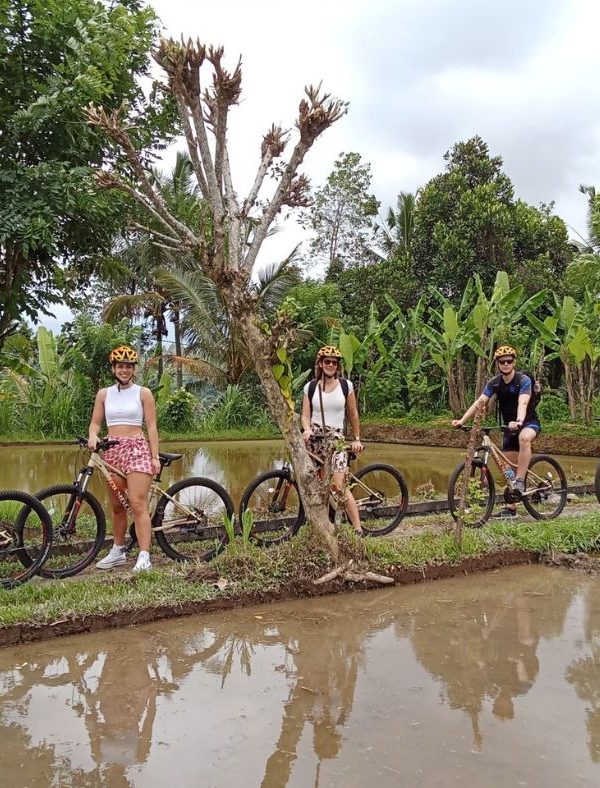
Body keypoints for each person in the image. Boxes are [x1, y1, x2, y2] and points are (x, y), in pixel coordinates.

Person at [88, 345, 161, 572]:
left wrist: (155, 457)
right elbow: (95, 423)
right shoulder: (104, 394)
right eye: (120, 366)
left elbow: (151, 426)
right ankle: (118, 550)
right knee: (118, 505)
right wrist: (93, 436)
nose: (124, 370)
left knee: (137, 504)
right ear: (114, 368)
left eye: (129, 366)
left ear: (133, 370)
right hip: (112, 450)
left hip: (137, 449)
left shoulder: (143, 393)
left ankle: (144, 555)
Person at [451, 345, 541, 519]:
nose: (506, 364)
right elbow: (480, 402)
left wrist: (520, 421)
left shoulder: (523, 381)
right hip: (509, 427)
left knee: (524, 439)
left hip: (528, 423)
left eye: (509, 361)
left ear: (514, 363)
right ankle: (511, 508)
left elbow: (523, 403)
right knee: (507, 470)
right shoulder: (495, 382)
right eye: (502, 362)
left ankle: (521, 481)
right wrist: (462, 420)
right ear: (498, 364)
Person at [300, 345, 364, 533]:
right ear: (320, 364)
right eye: (326, 362)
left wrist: (357, 438)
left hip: (336, 440)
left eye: (334, 363)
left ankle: (358, 529)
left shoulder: (346, 386)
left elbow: (353, 415)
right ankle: (323, 526)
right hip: (315, 440)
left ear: (338, 366)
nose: (330, 365)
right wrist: (306, 429)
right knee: (318, 485)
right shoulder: (310, 387)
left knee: (338, 487)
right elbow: (305, 415)